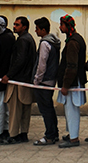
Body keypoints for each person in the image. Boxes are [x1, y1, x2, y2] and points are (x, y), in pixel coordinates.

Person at [0, 16, 35, 145]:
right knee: (25, 109)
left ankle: (13, 135)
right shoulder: (29, 38)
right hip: (26, 79)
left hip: (18, 80)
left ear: (24, 27)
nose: (14, 27)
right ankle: (23, 133)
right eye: (14, 24)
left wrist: (9, 75)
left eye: (17, 25)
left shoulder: (22, 40)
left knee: (15, 109)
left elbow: (20, 60)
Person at [57, 14, 87, 148]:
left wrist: (66, 85)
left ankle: (74, 139)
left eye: (61, 24)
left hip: (73, 82)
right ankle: (71, 134)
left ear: (67, 26)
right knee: (69, 110)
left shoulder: (73, 42)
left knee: (72, 110)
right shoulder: (74, 39)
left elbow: (72, 66)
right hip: (73, 81)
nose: (60, 27)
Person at [32, 17, 61, 146]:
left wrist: (36, 80)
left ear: (43, 30)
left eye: (37, 29)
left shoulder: (44, 43)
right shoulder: (54, 42)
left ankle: (50, 135)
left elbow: (41, 64)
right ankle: (54, 133)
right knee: (49, 108)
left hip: (44, 81)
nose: (36, 31)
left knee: (45, 109)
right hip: (51, 80)